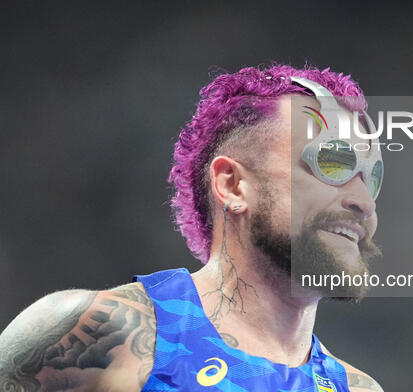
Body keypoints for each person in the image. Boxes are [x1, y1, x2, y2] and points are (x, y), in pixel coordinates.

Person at [0, 64, 385, 392]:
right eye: (333, 163)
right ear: (232, 185)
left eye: (372, 178)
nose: (365, 202)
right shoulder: (100, 333)